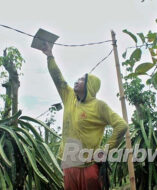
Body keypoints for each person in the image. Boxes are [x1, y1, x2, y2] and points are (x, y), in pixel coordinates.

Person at [41, 42, 128, 190]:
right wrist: (49, 56)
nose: (77, 80)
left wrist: (105, 151)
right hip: (69, 164)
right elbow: (58, 79)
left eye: (82, 79)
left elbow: (121, 126)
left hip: (89, 166)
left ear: (90, 85)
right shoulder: (69, 96)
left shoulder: (99, 106)